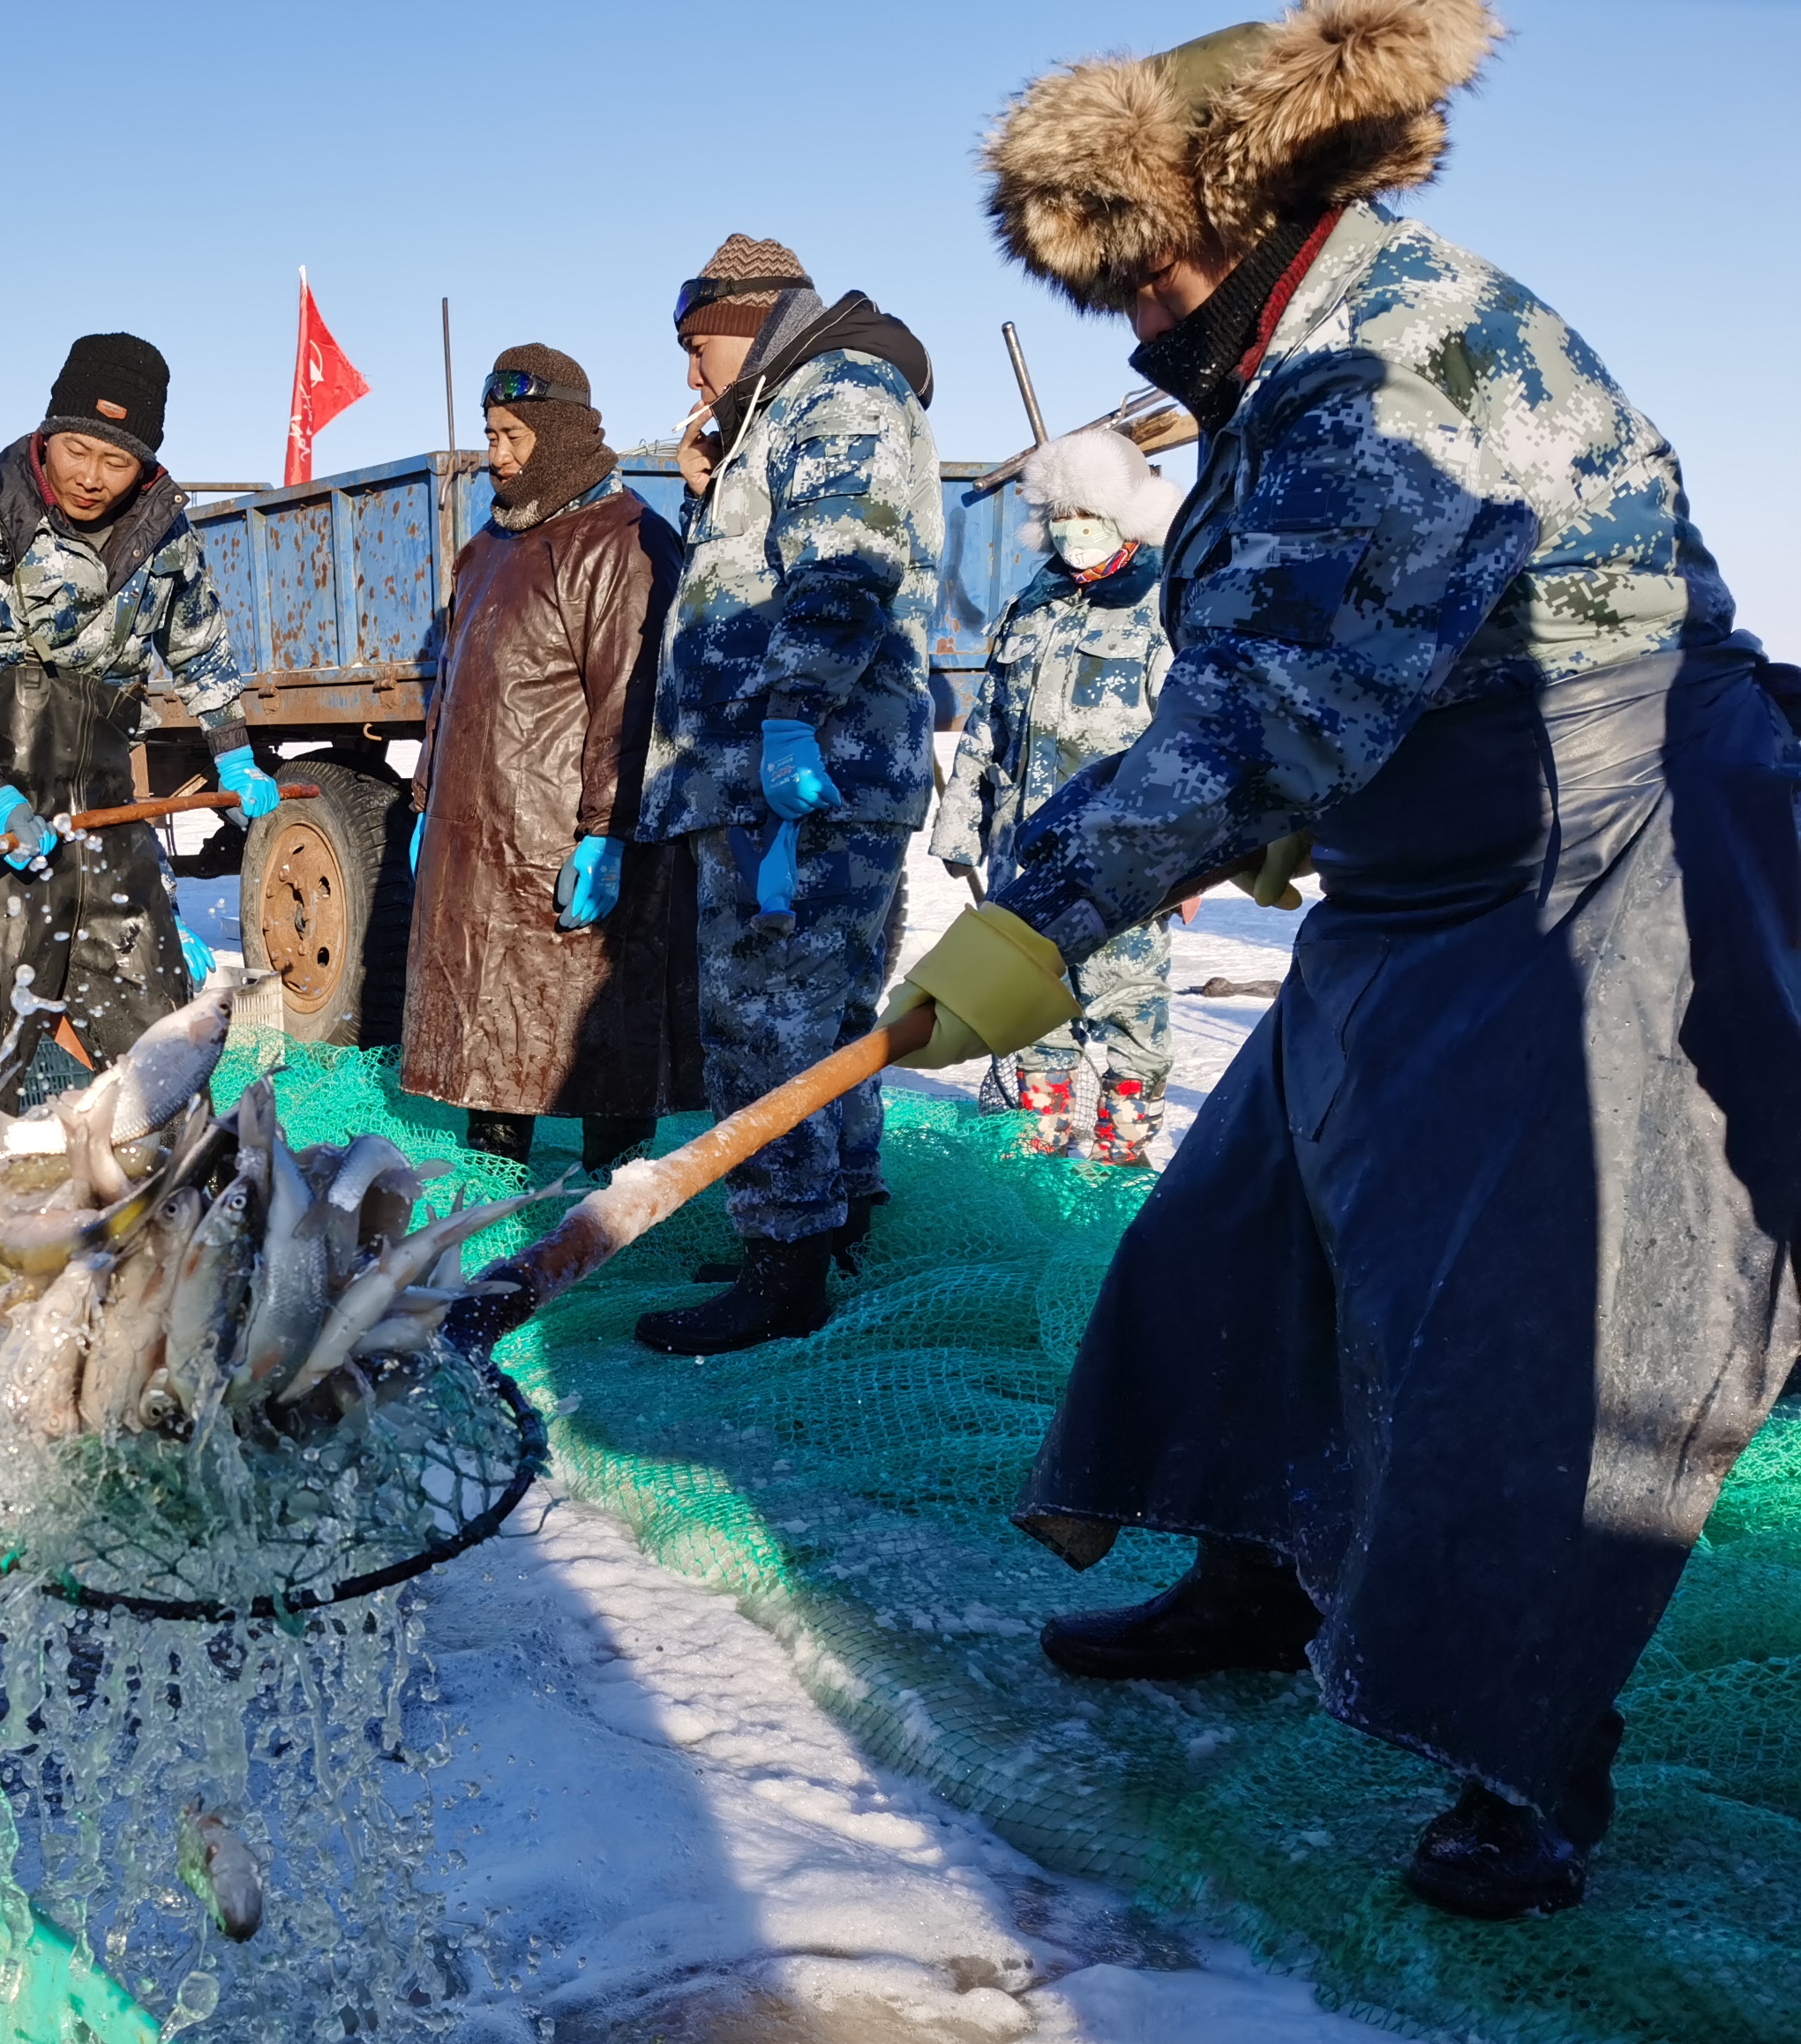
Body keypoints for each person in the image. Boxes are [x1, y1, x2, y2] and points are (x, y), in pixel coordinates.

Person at [885, 0, 1801, 1915]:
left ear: (1236, 203)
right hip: (1425, 870)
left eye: (1143, 275)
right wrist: (1326, 798)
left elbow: (1267, 709)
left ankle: (1523, 1758)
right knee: (1254, 1225)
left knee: (1536, 1325)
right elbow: (1327, 674)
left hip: (1597, 856)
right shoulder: (1289, 353)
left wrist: (1037, 911)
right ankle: (1255, 1566)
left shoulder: (1384, 354)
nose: (1132, 325)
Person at [0, 333, 277, 1293]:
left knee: (158, 1027)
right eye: (79, 450)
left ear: (148, 463)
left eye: (119, 459)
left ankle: (193, 1233)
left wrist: (233, 748)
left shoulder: (164, 536)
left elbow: (204, 650)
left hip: (104, 801)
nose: (94, 477)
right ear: (48, 437)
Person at [631, 236, 942, 1355]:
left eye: (693, 344)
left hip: (804, 776)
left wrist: (787, 714)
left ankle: (785, 1263)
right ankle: (832, 1219)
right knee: (828, 1014)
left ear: (750, 316)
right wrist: (718, 492)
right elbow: (782, 560)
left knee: (766, 1015)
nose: (688, 374)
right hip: (814, 774)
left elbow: (845, 568)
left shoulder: (838, 393)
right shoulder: (791, 410)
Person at [401, 348, 692, 1176]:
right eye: (491, 434)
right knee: (488, 1031)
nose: (496, 454)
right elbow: (450, 684)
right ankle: (497, 1188)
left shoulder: (623, 542)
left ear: (560, 434)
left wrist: (610, 832)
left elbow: (633, 707)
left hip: (564, 843)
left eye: (514, 436)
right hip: (478, 837)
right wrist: (424, 798)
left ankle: (614, 1204)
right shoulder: (487, 547)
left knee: (601, 1037)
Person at [929, 429, 1181, 1163]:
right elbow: (990, 720)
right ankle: (1038, 1158)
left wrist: (1195, 849)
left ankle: (1118, 1167)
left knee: (1129, 1011)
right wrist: (961, 811)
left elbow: (1189, 740)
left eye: (1086, 511)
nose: (1072, 528)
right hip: (1024, 848)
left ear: (1124, 514)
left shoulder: (1163, 608)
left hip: (1124, 855)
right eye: (1060, 512)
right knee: (1034, 1006)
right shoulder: (1034, 605)